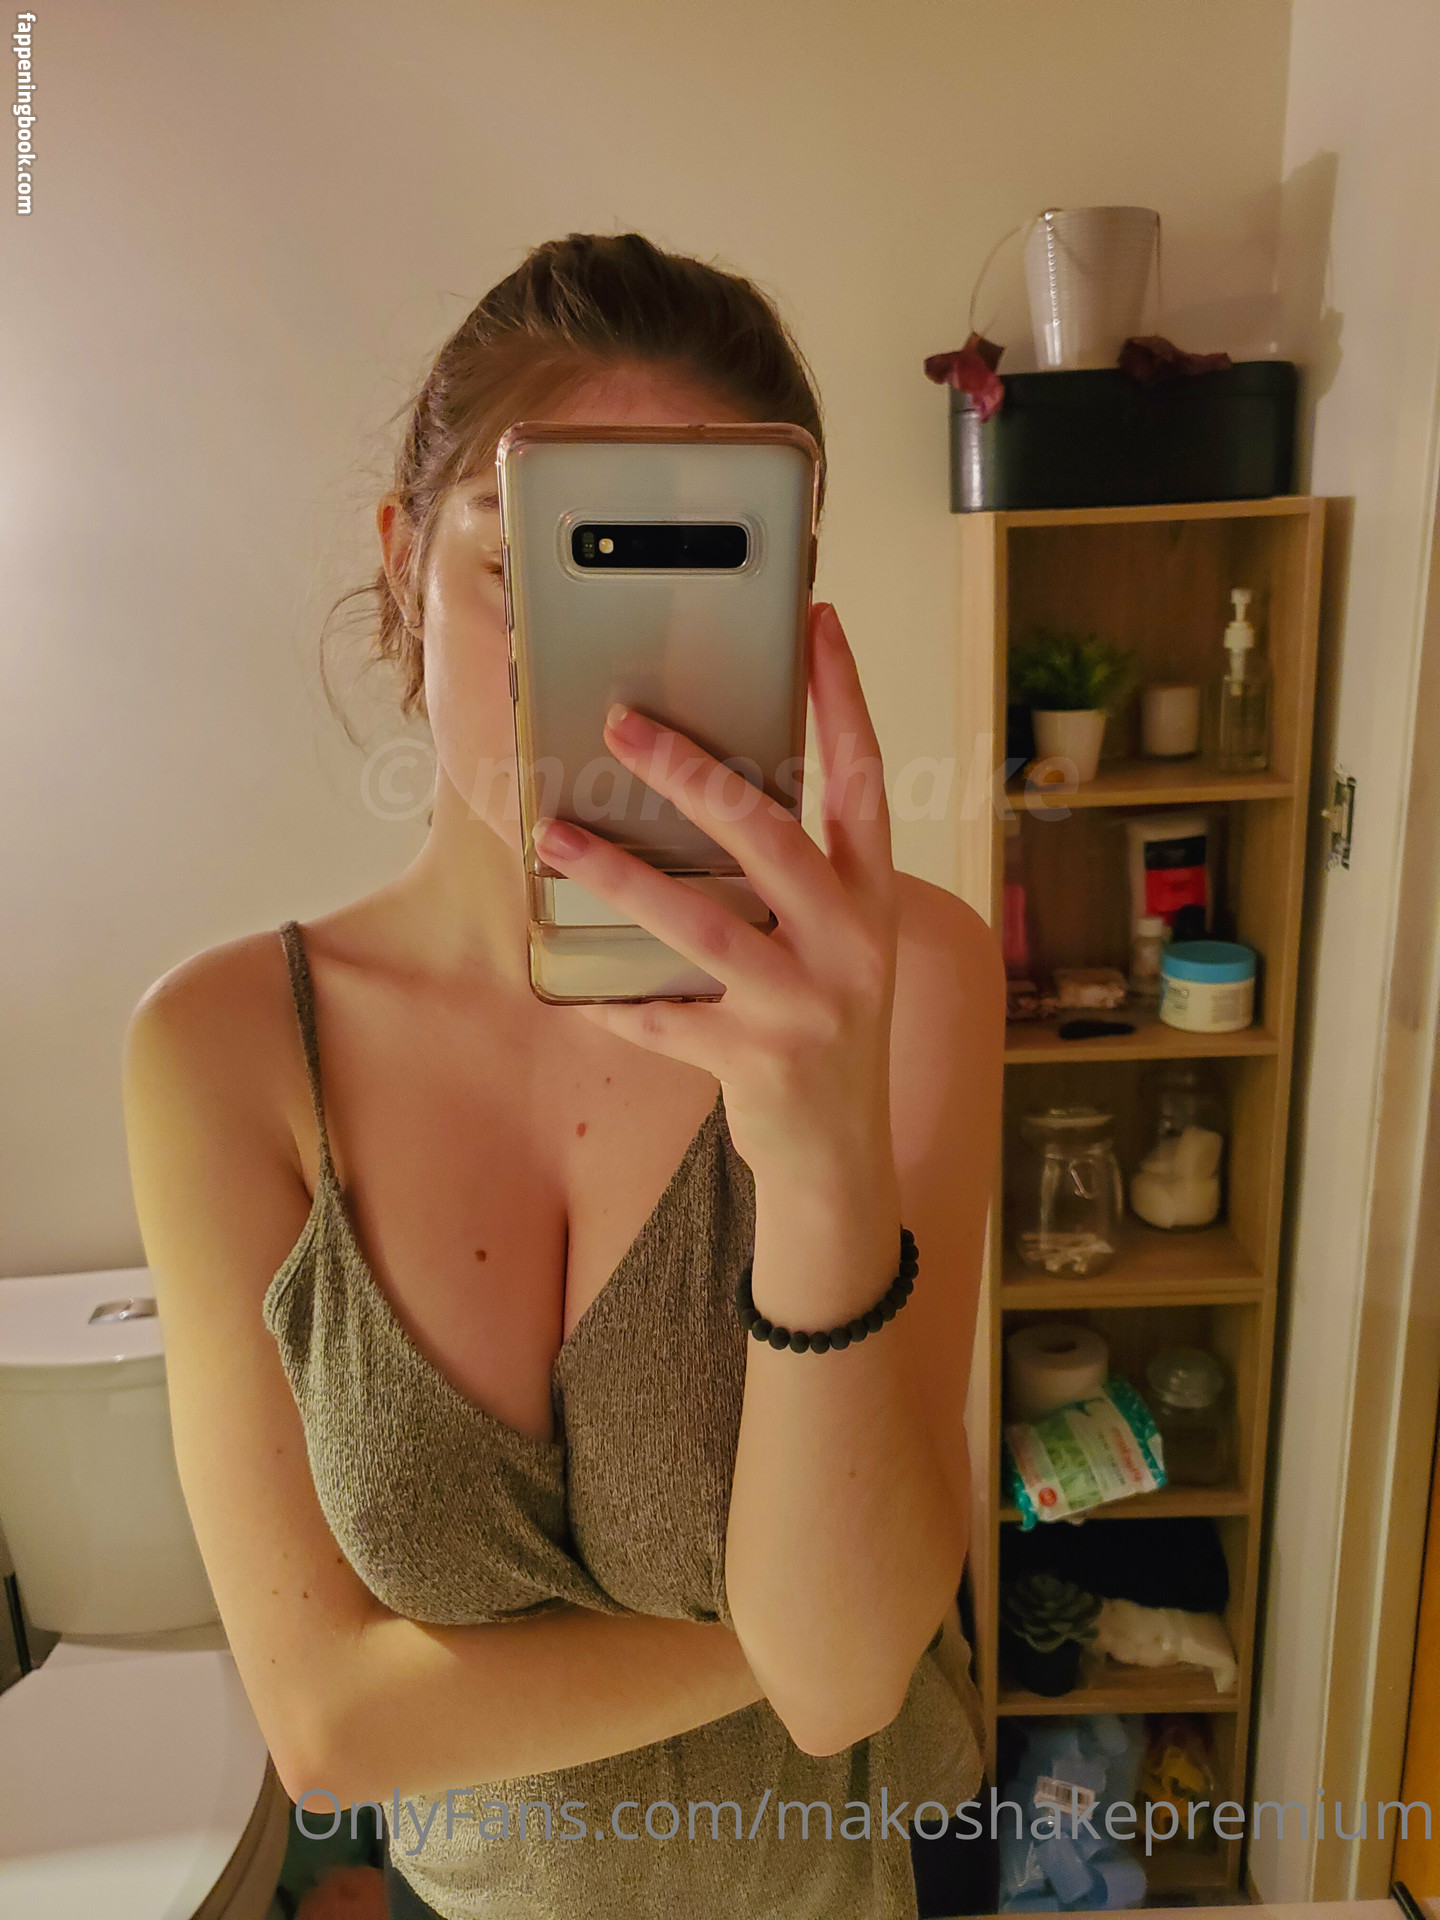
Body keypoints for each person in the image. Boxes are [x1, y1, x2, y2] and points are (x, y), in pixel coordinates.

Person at [122, 232, 1004, 1920]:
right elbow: (327, 1729)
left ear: (786, 607)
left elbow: (847, 1693)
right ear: (402, 564)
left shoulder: (907, 989)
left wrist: (816, 1152)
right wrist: (813, 1621)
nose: (608, 685)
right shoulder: (223, 1057)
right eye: (529, 569)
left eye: (691, 584)